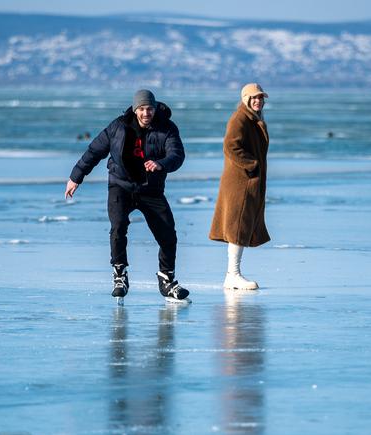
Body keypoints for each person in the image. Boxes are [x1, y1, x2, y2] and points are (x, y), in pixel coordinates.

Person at [64, 89, 190, 302]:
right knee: (118, 226)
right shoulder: (118, 127)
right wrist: (76, 176)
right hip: (120, 185)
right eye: (141, 109)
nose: (146, 113)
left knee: (168, 234)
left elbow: (177, 155)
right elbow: (94, 151)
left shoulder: (166, 128)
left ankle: (166, 279)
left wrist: (161, 164)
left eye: (149, 108)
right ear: (135, 109)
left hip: (151, 188)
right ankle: (120, 275)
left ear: (154, 108)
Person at [209, 83, 271, 290]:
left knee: (241, 226)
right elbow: (230, 145)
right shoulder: (240, 118)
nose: (258, 101)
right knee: (238, 226)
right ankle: (232, 275)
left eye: (260, 98)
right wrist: (252, 165)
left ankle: (232, 274)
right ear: (245, 99)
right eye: (254, 98)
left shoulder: (254, 119)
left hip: (247, 180)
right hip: (240, 181)